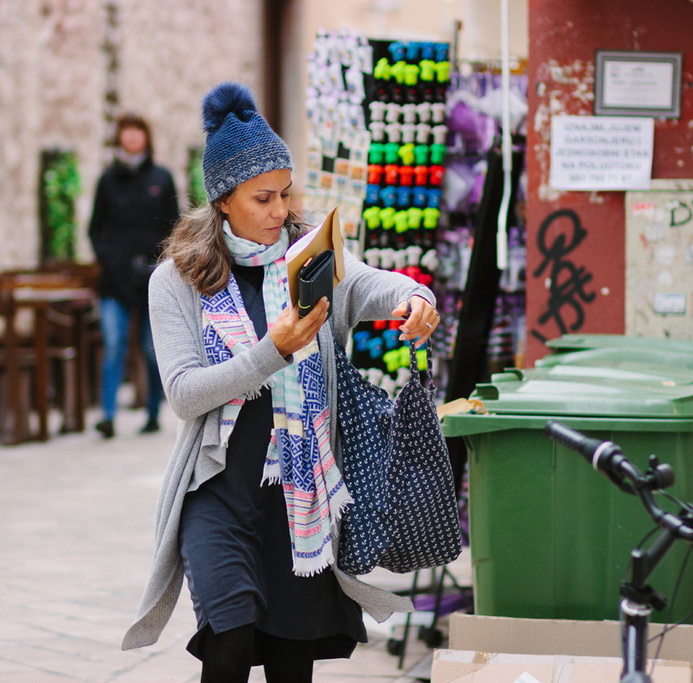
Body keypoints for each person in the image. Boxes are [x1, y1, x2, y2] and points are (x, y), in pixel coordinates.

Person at [121, 82, 440, 683]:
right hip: (218, 493)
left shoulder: (307, 257)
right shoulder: (177, 280)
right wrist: (275, 351)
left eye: (285, 195)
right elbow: (185, 393)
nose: (278, 210)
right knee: (230, 640)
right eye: (262, 198)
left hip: (303, 495)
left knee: (293, 662)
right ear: (222, 200)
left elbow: (370, 284)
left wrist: (414, 295)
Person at [88, 113, 179, 438]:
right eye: (126, 134)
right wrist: (108, 258)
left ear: (146, 138)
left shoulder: (161, 178)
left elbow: (175, 227)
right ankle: (108, 415)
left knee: (151, 348)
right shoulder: (107, 180)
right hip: (114, 280)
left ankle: (153, 410)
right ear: (119, 138)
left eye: (137, 133)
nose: (131, 139)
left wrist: (164, 264)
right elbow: (95, 228)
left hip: (153, 279)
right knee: (113, 344)